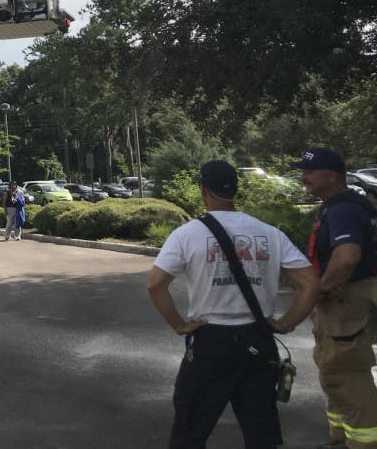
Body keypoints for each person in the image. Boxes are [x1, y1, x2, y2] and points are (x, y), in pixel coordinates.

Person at [147, 160, 319, 449]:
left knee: (190, 430)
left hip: (210, 343)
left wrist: (180, 325)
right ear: (234, 191)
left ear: (204, 190)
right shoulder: (270, 234)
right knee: (261, 433)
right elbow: (310, 283)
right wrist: (287, 322)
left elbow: (155, 285)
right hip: (258, 340)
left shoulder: (187, 234)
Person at [295, 147, 377, 449]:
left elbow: (346, 258)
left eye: (310, 171)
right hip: (343, 301)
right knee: (333, 369)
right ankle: (341, 436)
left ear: (332, 176)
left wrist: (318, 290)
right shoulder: (339, 204)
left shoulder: (344, 208)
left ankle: (365, 442)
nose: (303, 177)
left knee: (347, 373)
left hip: (347, 301)